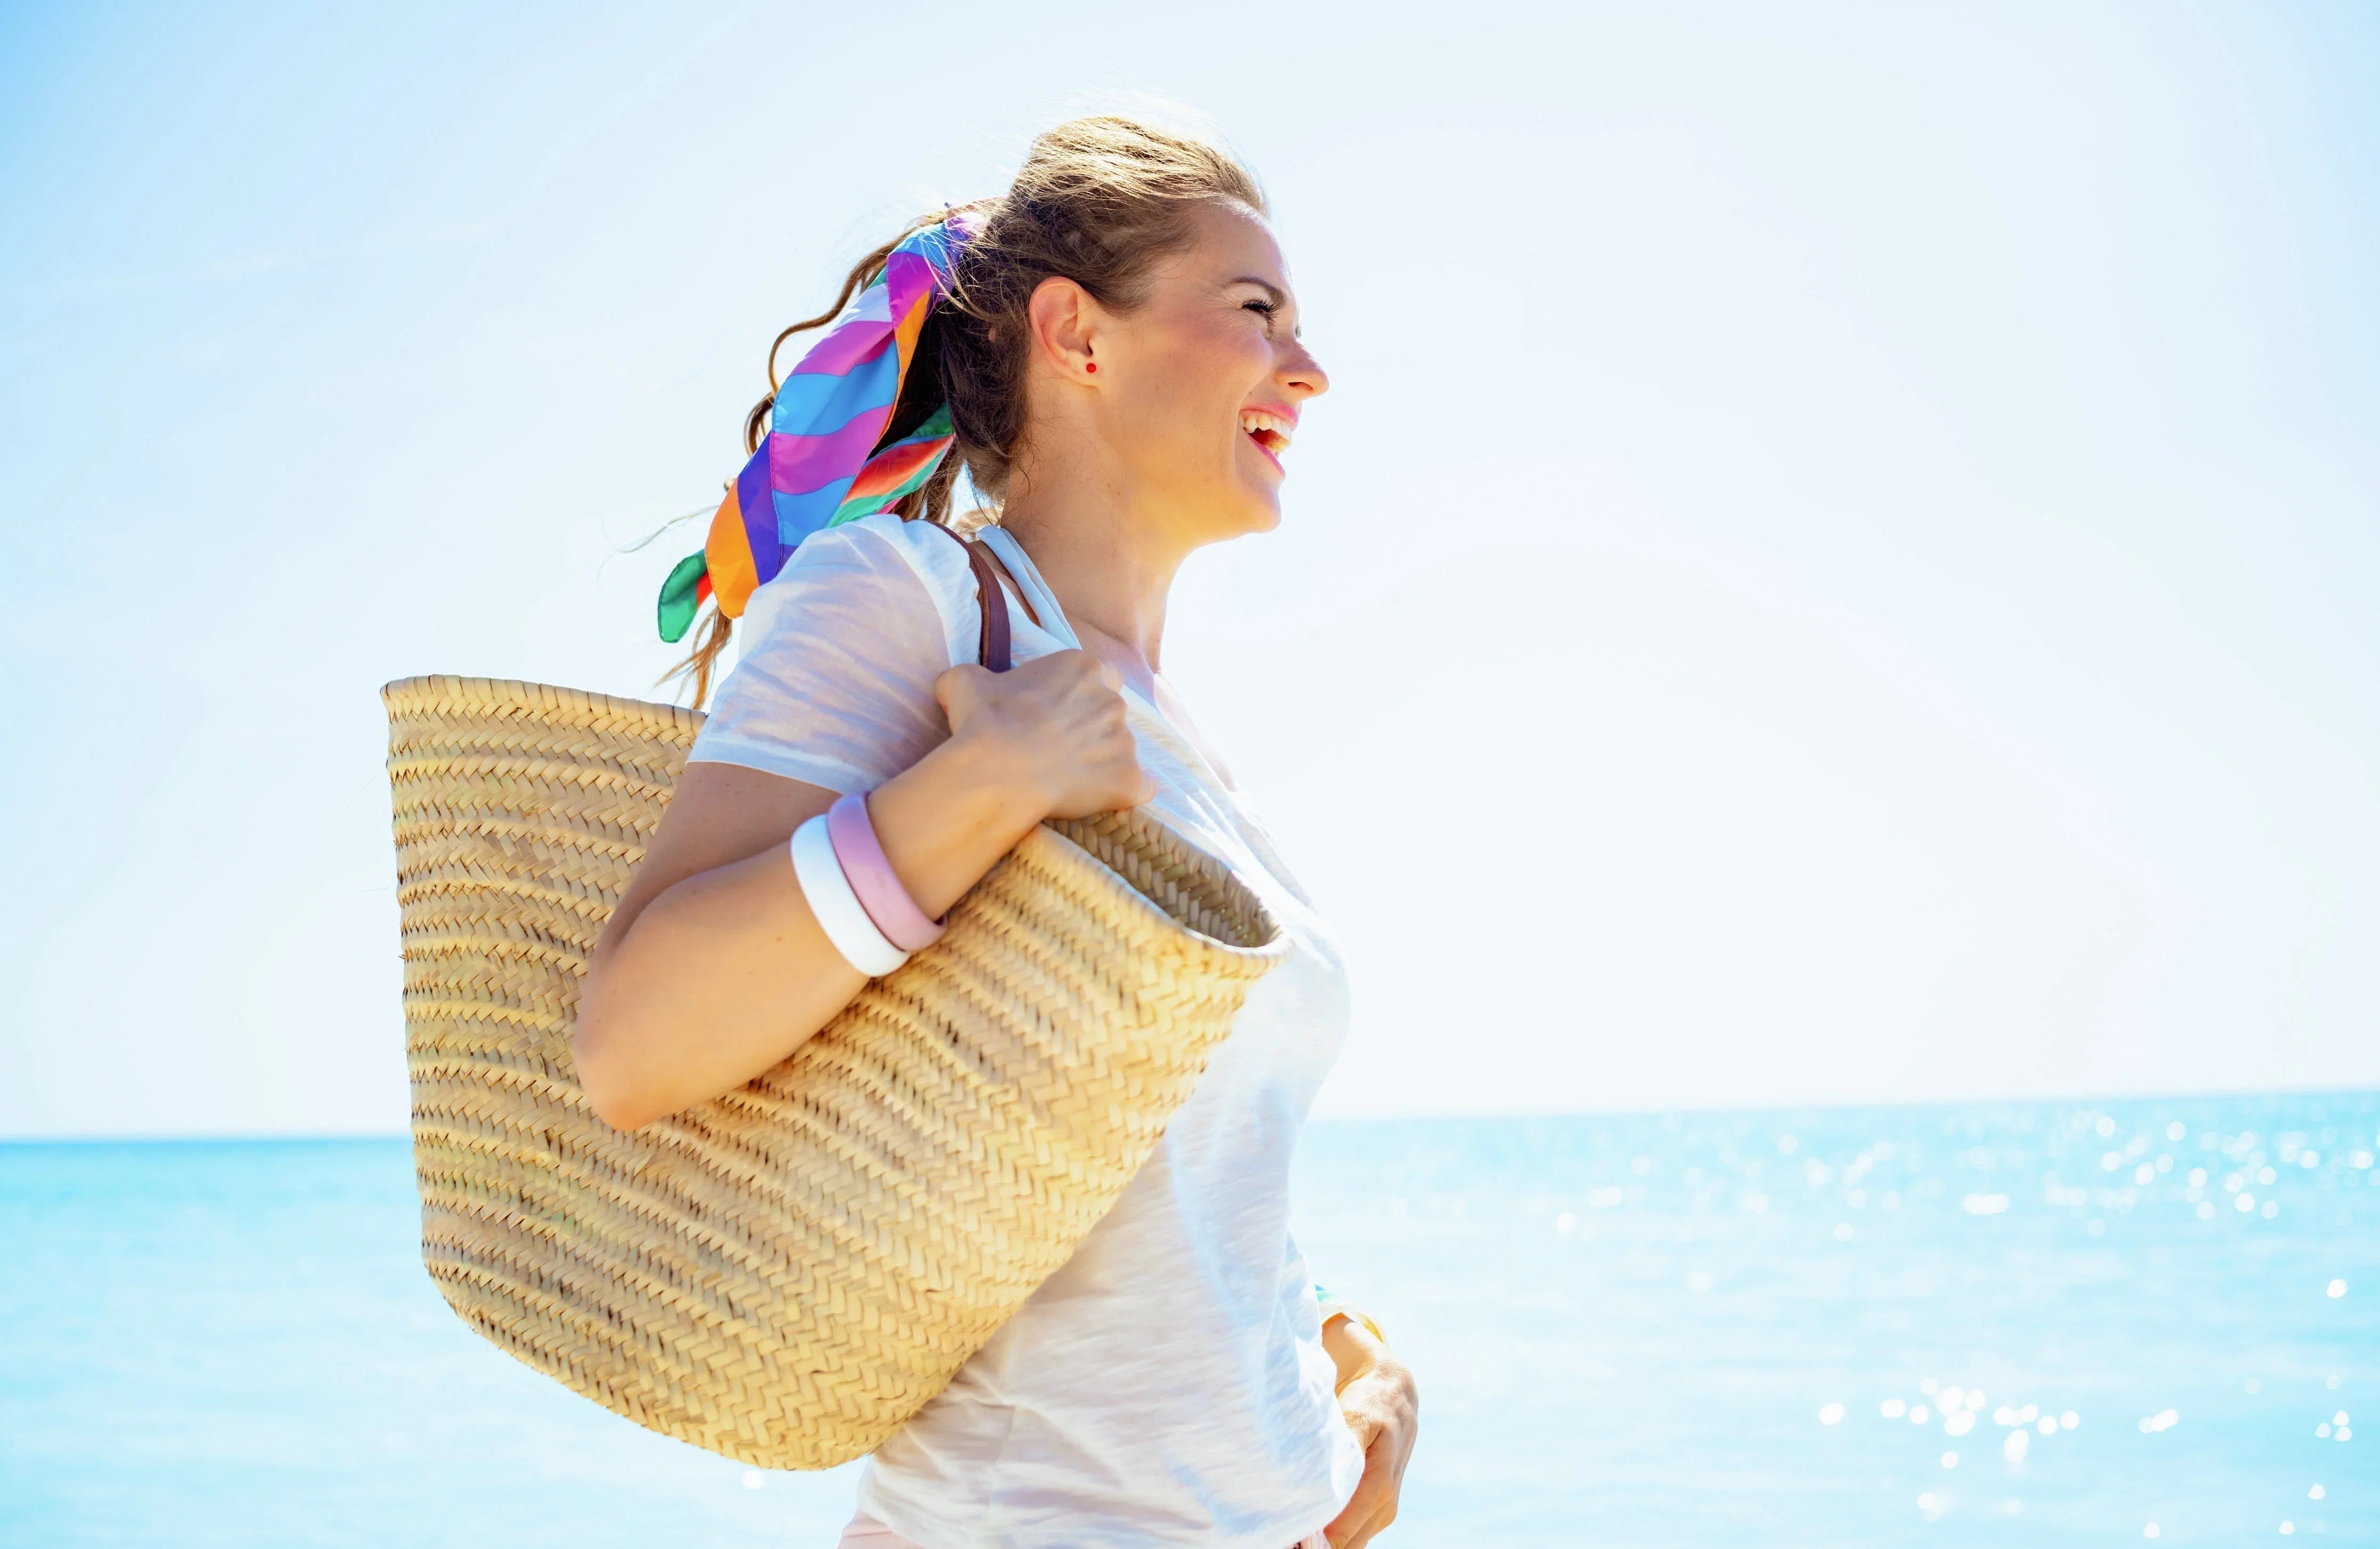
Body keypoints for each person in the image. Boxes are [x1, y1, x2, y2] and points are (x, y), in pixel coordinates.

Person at [572, 116, 1418, 1549]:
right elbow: (632, 1043)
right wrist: (974, 793)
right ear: (1076, 336)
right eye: (1257, 311)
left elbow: (1149, 1178)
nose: (1310, 368)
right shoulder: (908, 600)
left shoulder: (1186, 744)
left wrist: (1349, 1408)